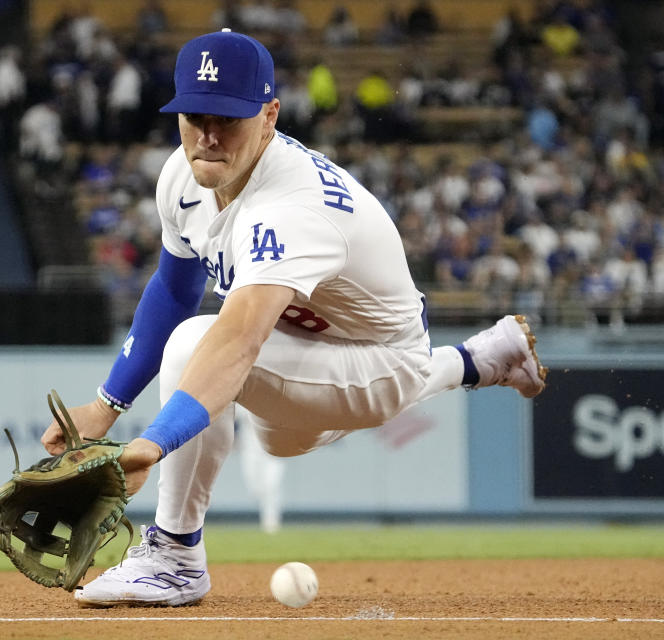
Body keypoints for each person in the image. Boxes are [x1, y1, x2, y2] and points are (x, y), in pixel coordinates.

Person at [40, 30, 547, 608]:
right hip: (300, 361)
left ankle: (175, 557)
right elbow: (175, 291)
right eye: (193, 116)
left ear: (269, 116)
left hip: (376, 361)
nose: (207, 136)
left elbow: (234, 343)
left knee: (193, 346)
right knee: (277, 442)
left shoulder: (289, 209)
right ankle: (478, 359)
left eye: (227, 118)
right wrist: (106, 406)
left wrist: (151, 446)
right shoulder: (183, 177)